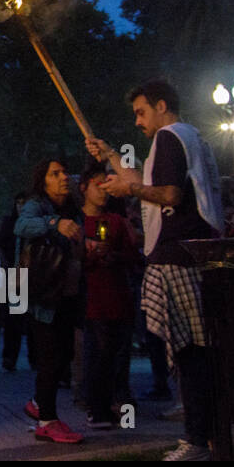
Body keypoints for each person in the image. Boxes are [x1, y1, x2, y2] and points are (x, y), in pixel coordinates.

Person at [86, 79, 222, 461]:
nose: (137, 122)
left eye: (141, 112)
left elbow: (168, 194)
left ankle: (197, 440)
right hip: (192, 254)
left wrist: (126, 191)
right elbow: (147, 182)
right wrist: (111, 155)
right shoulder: (191, 136)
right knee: (193, 349)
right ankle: (204, 433)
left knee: (190, 350)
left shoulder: (168, 137)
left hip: (178, 256)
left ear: (162, 106)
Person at [14, 159, 85, 444]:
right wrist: (55, 223)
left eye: (65, 172)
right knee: (50, 358)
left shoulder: (70, 207)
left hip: (65, 293)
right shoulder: (37, 205)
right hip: (43, 296)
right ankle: (47, 421)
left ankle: (37, 403)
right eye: (55, 174)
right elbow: (22, 225)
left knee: (63, 355)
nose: (63, 178)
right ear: (43, 181)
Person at [77, 163, 137, 429]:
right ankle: (96, 407)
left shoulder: (115, 221)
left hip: (119, 296)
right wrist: (87, 255)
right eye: (97, 185)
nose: (103, 192)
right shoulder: (76, 222)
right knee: (97, 355)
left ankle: (120, 406)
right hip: (92, 299)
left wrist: (114, 256)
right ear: (84, 187)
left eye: (107, 186)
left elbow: (133, 256)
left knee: (119, 356)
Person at [0, 192, 29, 371]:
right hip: (14, 272)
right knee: (13, 318)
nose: (21, 206)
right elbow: (1, 246)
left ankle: (35, 357)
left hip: (34, 274)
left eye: (24, 203)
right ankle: (9, 357)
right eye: (19, 203)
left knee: (33, 318)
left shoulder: (36, 223)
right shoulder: (10, 223)